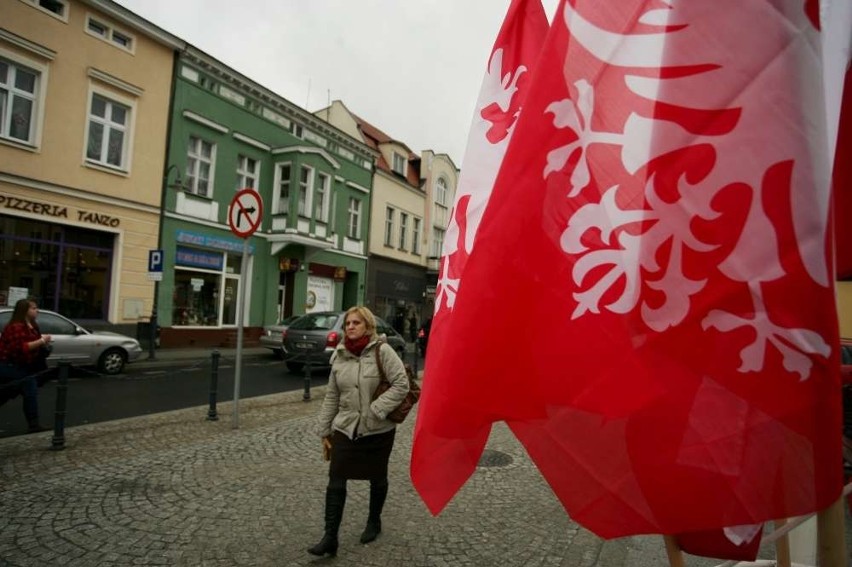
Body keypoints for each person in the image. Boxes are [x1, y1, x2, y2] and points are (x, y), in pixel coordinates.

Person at [308, 306, 410, 557]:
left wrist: (377, 409)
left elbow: (402, 384)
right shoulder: (340, 355)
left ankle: (374, 521)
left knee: (377, 477)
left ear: (367, 326)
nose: (350, 327)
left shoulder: (382, 351)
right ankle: (330, 536)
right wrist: (324, 427)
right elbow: (332, 395)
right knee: (336, 478)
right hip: (346, 427)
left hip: (378, 429)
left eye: (356, 323)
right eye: (347, 324)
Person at [0, 298, 53, 433]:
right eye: (33, 308)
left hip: (24, 366)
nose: (37, 310)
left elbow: (33, 346)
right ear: (24, 310)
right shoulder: (15, 327)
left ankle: (33, 424)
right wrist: (41, 341)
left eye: (36, 308)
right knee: (28, 389)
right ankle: (33, 424)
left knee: (12, 391)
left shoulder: (33, 326)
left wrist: (43, 345)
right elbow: (20, 348)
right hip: (10, 365)